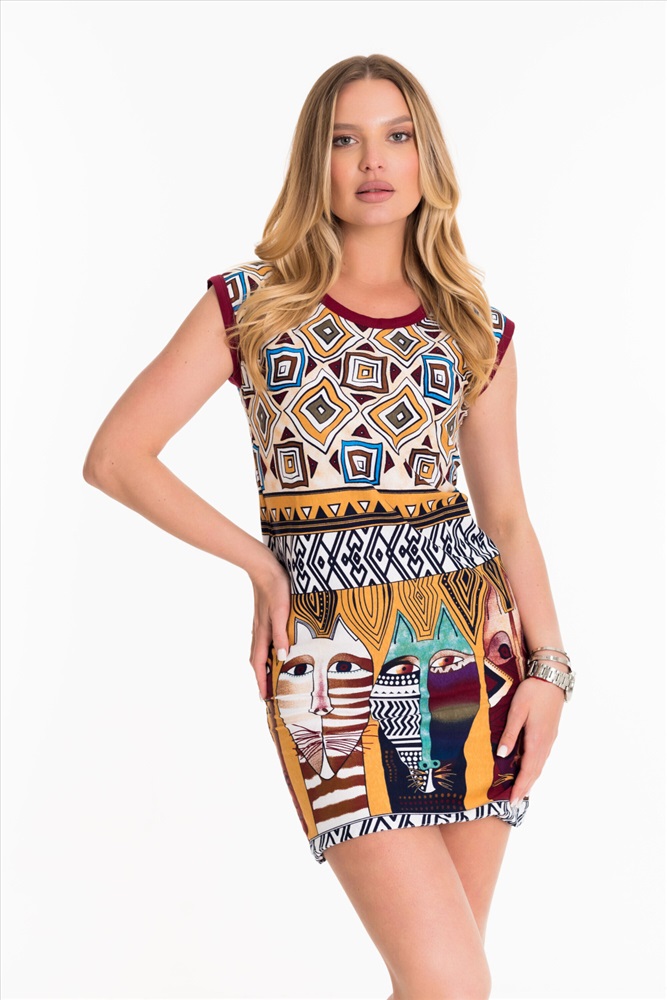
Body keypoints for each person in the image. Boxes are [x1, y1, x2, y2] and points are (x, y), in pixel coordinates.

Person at [84, 54, 574, 1000]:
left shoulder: (474, 328)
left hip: (473, 655)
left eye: (396, 136)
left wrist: (549, 672)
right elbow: (117, 457)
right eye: (345, 139)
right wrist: (262, 567)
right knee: (448, 980)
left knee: (444, 981)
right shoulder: (253, 306)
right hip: (329, 660)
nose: (371, 161)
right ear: (316, 160)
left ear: (428, 158)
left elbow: (507, 516)